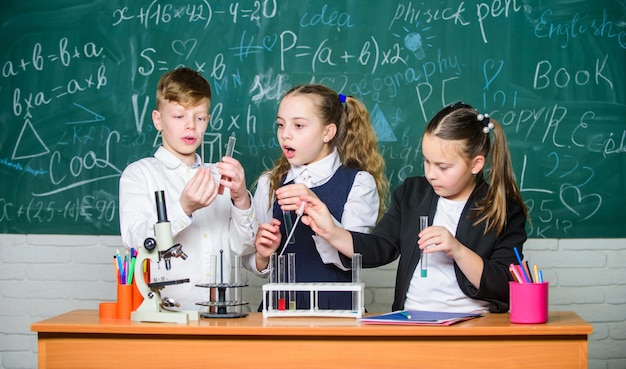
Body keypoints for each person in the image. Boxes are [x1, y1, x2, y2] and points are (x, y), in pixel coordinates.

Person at [302, 102, 529, 313]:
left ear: (476, 164)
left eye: (443, 166)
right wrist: (332, 232)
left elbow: (505, 285)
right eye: (426, 161)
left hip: (474, 323)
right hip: (412, 319)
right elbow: (380, 247)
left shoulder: (504, 209)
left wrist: (457, 250)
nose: (431, 174)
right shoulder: (413, 194)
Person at [119, 67, 255, 310]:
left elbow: (244, 247)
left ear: (207, 121)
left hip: (223, 316)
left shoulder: (220, 176)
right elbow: (136, 242)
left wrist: (241, 197)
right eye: (179, 116)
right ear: (158, 120)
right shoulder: (139, 175)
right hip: (169, 315)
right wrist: (183, 209)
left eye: (199, 117)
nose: (191, 126)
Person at [243, 84, 389, 310]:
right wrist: (264, 255)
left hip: (338, 308)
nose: (285, 134)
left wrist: (318, 210)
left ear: (327, 132)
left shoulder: (359, 183)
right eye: (281, 125)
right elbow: (257, 264)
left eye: (299, 125)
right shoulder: (269, 183)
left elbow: (355, 258)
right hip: (281, 309)